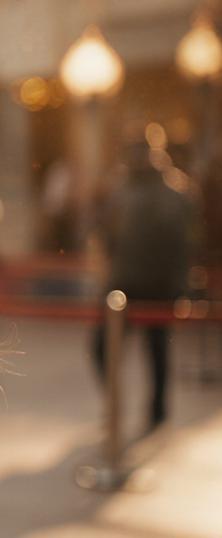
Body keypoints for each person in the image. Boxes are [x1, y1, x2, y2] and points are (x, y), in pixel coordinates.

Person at [92, 140, 196, 430]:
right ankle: (127, 406)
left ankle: (154, 410)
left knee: (156, 349)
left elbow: (184, 244)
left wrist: (180, 282)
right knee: (110, 348)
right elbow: (107, 234)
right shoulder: (125, 190)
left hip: (149, 284)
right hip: (128, 283)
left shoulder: (171, 193)